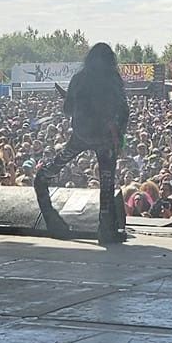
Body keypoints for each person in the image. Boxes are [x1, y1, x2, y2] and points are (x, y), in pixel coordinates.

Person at [34, 42, 129, 245]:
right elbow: (123, 110)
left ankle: (44, 178)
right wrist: (119, 137)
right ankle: (106, 230)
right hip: (105, 139)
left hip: (81, 135)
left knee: (56, 166)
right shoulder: (113, 80)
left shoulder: (79, 79)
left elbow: (68, 109)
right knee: (106, 183)